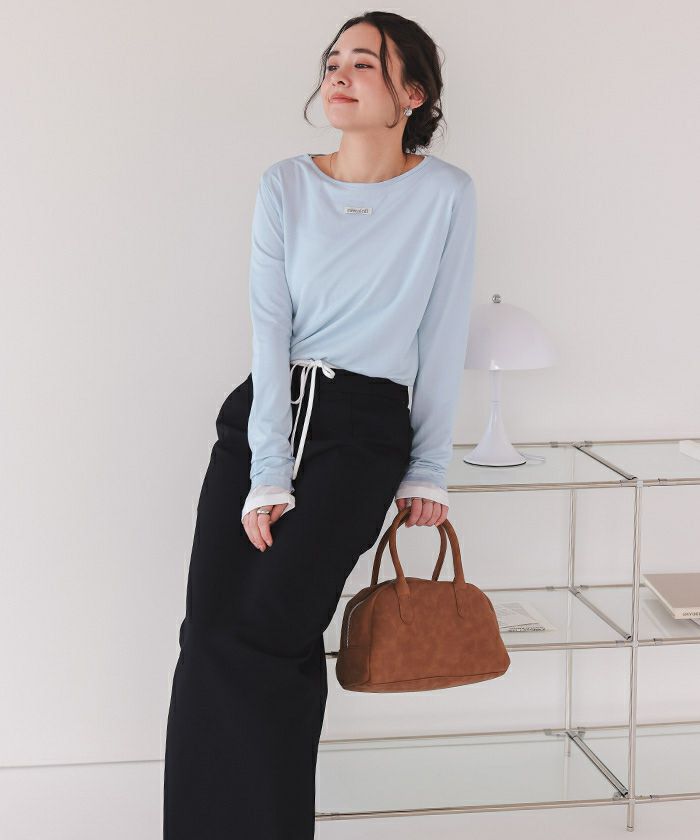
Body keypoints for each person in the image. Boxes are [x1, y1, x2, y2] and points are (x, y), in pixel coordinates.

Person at [163, 10, 477, 839]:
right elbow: (268, 329)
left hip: (363, 430)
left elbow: (442, 335)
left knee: (271, 634)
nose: (339, 74)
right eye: (334, 60)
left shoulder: (445, 195)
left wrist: (428, 467)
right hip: (267, 413)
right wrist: (267, 465)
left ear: (412, 93)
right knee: (211, 636)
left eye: (365, 63)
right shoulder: (286, 185)